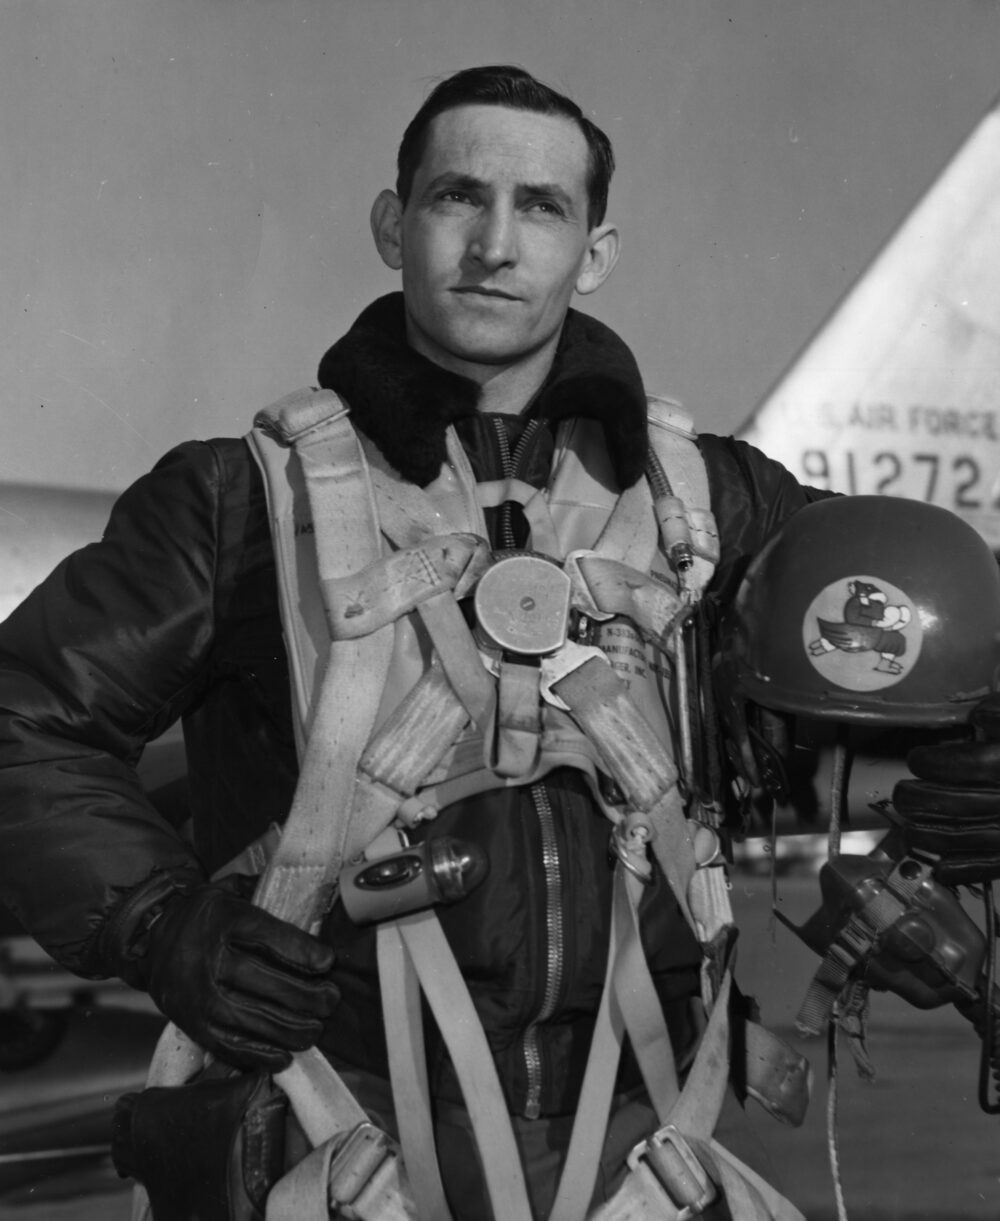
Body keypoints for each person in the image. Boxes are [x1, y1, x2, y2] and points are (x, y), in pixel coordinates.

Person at [1, 64, 994, 1221]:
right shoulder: (243, 502)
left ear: (596, 251)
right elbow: (24, 719)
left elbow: (938, 640)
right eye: (455, 198)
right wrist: (165, 927)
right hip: (340, 1154)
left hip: (643, 1160)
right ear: (393, 223)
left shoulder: (718, 509)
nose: (494, 244)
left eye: (541, 208)